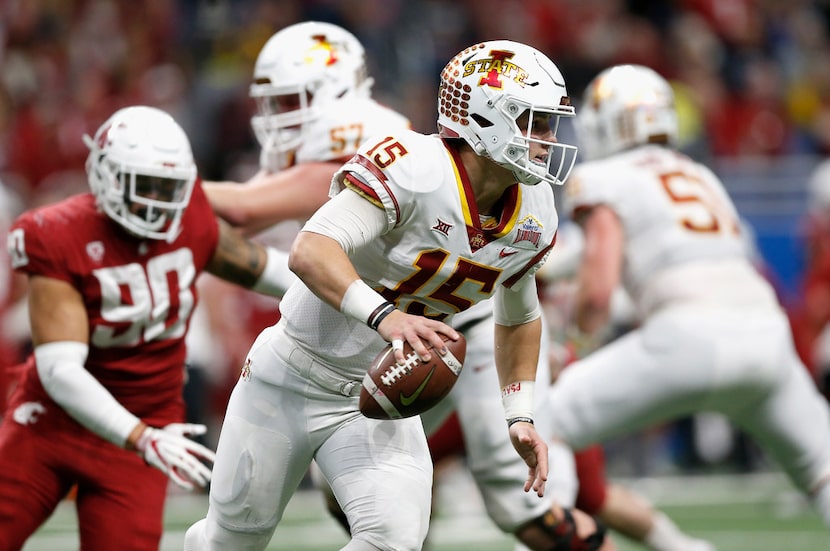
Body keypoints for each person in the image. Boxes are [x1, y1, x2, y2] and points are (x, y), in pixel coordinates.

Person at [183, 38, 616, 551]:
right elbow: (312, 249)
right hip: (291, 377)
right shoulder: (413, 165)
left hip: (375, 401)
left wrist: (519, 415)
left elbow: (519, 316)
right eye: (534, 121)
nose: (547, 138)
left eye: (549, 123)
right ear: (485, 118)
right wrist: (386, 318)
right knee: (232, 542)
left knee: (393, 540)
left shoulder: (535, 207)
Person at [0, 105, 297, 551]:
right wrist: (141, 436)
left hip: (146, 432)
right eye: (145, 187)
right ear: (105, 176)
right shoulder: (56, 232)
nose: (159, 202)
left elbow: (268, 270)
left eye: (169, 188)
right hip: (55, 426)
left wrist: (362, 293)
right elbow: (59, 370)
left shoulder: (190, 218)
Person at [546, 64, 830, 528]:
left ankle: (555, 541)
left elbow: (598, 295)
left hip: (684, 336)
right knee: (823, 470)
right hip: (766, 338)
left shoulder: (602, 177)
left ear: (604, 123)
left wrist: (571, 335)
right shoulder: (701, 175)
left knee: (539, 428)